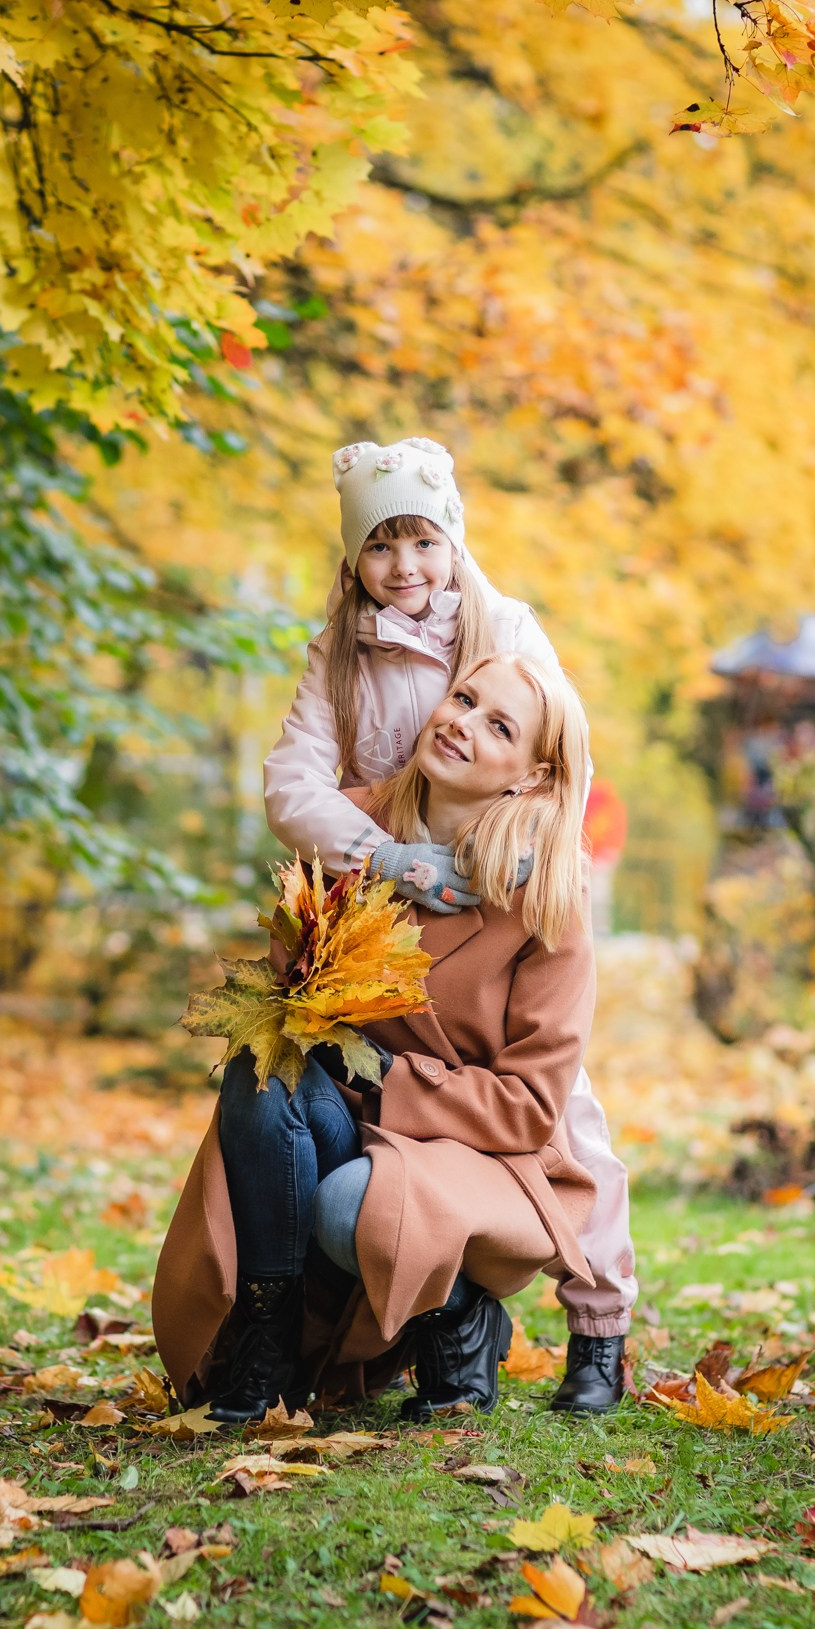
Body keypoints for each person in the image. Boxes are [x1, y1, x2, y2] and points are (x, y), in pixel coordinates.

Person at [258, 436, 635, 1412]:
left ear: (452, 540)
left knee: (565, 1123)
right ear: (352, 562)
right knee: (334, 1092)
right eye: (379, 550)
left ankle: (598, 1320)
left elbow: (550, 733)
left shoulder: (500, 623)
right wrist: (379, 852)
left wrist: (526, 846)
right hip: (389, 874)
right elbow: (291, 781)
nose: (403, 569)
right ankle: (368, 1313)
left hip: (486, 884)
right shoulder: (337, 649)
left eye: (422, 543)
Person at [156, 653, 599, 1422]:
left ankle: (459, 1317)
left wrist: (389, 1076)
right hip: (335, 1121)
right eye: (462, 698)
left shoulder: (546, 895)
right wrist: (373, 879)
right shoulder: (351, 826)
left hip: (467, 1154)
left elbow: (529, 1108)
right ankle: (268, 1344)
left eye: (498, 726)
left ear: (528, 775)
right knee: (262, 1071)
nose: (461, 721)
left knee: (349, 1204)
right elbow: (293, 986)